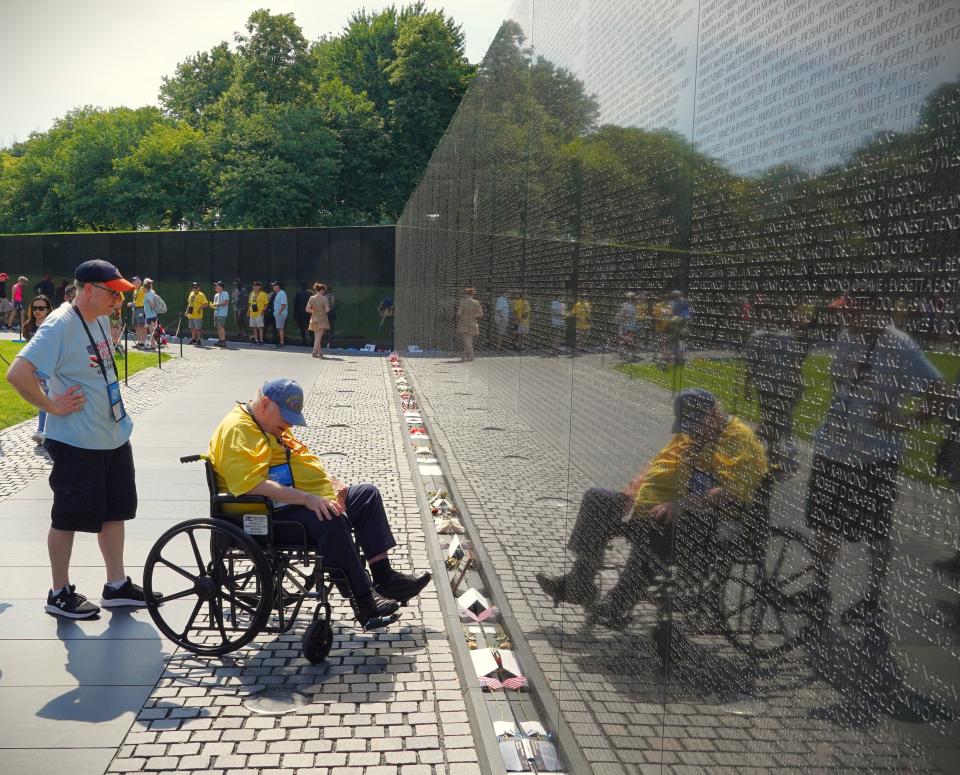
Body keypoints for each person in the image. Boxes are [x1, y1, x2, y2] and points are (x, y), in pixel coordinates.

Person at [206, 379, 431, 629]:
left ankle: (385, 578)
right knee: (329, 517)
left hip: (294, 501)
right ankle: (364, 601)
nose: (290, 424)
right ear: (266, 404)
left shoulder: (270, 424)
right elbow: (249, 485)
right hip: (264, 514)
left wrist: (331, 483)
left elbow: (302, 460)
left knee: (366, 495)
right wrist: (309, 498)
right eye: (287, 417)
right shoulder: (239, 430)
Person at [535, 388, 767, 627]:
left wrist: (680, 504)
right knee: (597, 499)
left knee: (654, 527)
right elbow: (656, 465)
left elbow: (732, 492)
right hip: (657, 506)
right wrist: (629, 493)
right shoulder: (694, 435)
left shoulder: (738, 439)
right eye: (687, 426)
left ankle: (620, 602)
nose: (690, 432)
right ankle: (579, 584)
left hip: (706, 519)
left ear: (713, 415)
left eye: (695, 425)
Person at [6, 260, 157, 619]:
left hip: (112, 435)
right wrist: (51, 407)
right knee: (68, 517)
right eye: (113, 293)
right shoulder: (59, 324)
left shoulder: (100, 317)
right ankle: (59, 593)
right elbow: (18, 373)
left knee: (115, 512)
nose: (118, 301)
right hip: (77, 441)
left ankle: (116, 586)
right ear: (87, 289)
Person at [801, 295, 945, 629]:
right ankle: (820, 587)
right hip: (834, 446)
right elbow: (841, 383)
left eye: (852, 314)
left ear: (874, 311)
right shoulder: (847, 338)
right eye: (844, 314)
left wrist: (902, 422)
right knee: (825, 521)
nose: (846, 321)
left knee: (875, 529)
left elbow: (942, 393)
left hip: (875, 455)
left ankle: (873, 598)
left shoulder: (901, 346)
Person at [21, 294, 54, 445]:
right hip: (36, 369)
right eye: (34, 308)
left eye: (41, 308)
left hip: (51, 369)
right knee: (43, 399)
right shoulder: (28, 326)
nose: (37, 311)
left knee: (48, 399)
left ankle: (44, 431)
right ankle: (43, 431)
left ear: (48, 309)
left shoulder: (53, 326)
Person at [456, 288, 483, 361]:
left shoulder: (463, 302)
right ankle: (464, 355)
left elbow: (459, 313)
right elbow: (480, 314)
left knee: (466, 340)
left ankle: (471, 355)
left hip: (464, 323)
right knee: (469, 340)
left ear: (465, 294)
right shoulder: (476, 302)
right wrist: (474, 315)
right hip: (473, 323)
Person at [306, 283, 330, 359]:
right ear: (322, 290)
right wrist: (325, 309)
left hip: (313, 319)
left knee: (317, 336)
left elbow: (307, 309)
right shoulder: (324, 298)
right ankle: (314, 351)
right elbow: (327, 310)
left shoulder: (311, 298)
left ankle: (319, 352)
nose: (324, 292)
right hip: (322, 319)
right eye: (324, 290)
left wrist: (314, 311)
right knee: (318, 337)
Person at [185, 282, 209, 346]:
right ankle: (193, 339)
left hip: (198, 315)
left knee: (198, 328)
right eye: (193, 287)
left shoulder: (201, 295)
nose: (194, 289)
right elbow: (189, 303)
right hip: (190, 314)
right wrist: (187, 310)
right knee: (192, 328)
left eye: (196, 287)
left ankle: (198, 340)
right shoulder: (191, 293)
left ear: (199, 288)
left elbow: (206, 304)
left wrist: (200, 308)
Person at [128, 276, 147, 348]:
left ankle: (144, 342)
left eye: (134, 281)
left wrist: (133, 304)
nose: (132, 282)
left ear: (139, 281)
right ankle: (140, 342)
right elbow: (135, 301)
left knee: (142, 326)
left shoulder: (142, 289)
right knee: (136, 326)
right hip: (135, 310)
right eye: (132, 281)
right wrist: (133, 305)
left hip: (141, 309)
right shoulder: (135, 290)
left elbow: (145, 301)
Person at [210, 280, 230, 349]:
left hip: (222, 314)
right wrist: (212, 305)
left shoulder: (225, 293)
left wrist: (217, 305)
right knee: (218, 327)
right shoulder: (216, 294)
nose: (215, 287)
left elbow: (226, 302)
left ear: (221, 287)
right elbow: (215, 304)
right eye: (215, 286)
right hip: (216, 313)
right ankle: (220, 341)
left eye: (217, 286)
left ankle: (223, 341)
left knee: (221, 327)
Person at [248, 281, 268, 346]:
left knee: (260, 327)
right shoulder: (252, 293)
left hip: (259, 313)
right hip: (252, 313)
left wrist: (263, 311)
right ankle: (256, 340)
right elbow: (250, 303)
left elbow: (266, 304)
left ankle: (261, 340)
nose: (254, 287)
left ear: (259, 287)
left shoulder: (263, 294)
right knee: (254, 327)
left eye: (256, 286)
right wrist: (248, 311)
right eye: (253, 286)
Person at [293, 282, 313, 347]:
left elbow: (295, 304)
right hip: (309, 313)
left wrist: (295, 313)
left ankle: (304, 341)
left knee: (302, 328)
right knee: (310, 328)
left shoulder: (298, 294)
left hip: (300, 313)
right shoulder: (310, 294)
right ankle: (312, 341)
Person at [142, 279, 159, 349]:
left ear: (146, 288)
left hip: (150, 316)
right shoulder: (152, 292)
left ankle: (153, 345)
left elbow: (152, 304)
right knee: (153, 330)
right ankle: (154, 344)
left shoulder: (147, 295)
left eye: (143, 288)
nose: (142, 289)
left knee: (151, 331)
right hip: (154, 315)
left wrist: (153, 307)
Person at [271, 281, 288, 348]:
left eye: (274, 285)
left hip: (281, 314)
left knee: (280, 328)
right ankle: (281, 341)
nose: (273, 287)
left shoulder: (282, 293)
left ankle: (282, 342)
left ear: (278, 286)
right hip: (278, 314)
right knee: (279, 328)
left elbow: (284, 305)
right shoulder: (277, 293)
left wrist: (279, 312)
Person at [325, 284, 337, 348]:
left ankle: (329, 341)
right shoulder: (332, 296)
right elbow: (333, 304)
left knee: (329, 328)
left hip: (328, 314)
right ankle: (330, 341)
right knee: (331, 327)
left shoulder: (326, 296)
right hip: (331, 313)